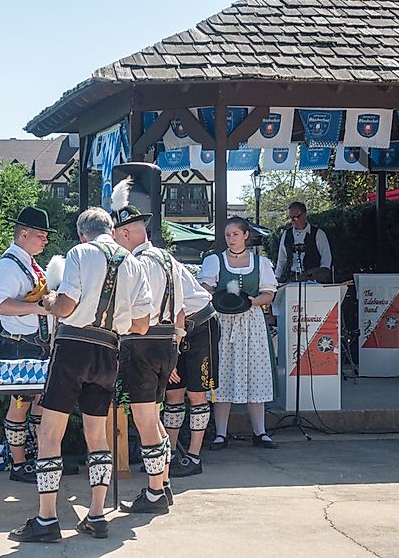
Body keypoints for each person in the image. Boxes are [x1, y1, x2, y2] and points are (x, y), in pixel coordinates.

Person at [9, 207, 152, 543]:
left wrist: (49, 300)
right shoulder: (133, 262)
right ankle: (97, 515)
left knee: (49, 435)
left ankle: (46, 519)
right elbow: (142, 325)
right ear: (112, 229)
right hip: (108, 351)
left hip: (74, 347)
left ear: (81, 233)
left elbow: (66, 307)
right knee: (97, 435)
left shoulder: (80, 253)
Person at [112, 200, 184, 514]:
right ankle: (163, 484)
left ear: (126, 233)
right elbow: (181, 311)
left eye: (115, 234)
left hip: (141, 342)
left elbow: (131, 311)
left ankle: (154, 493)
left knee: (145, 421)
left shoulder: (134, 263)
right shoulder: (168, 259)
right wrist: (176, 352)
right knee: (154, 418)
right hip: (168, 342)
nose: (113, 240)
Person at [0, 206, 54, 483]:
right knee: (20, 404)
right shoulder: (6, 266)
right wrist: (38, 307)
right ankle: (19, 463)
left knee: (39, 402)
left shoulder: (28, 263)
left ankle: (38, 458)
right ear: (23, 234)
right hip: (19, 345)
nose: (45, 240)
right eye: (41, 235)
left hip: (36, 344)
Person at [198, 217, 278, 450]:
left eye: (235, 234)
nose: (230, 239)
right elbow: (205, 289)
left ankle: (260, 432)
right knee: (223, 374)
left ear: (245, 235)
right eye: (227, 235)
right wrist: (217, 296)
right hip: (224, 321)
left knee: (255, 374)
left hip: (251, 322)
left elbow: (268, 294)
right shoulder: (215, 261)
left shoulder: (260, 262)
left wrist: (252, 301)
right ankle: (221, 433)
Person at [163, 262, 217, 477]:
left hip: (201, 324)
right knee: (173, 392)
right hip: (176, 329)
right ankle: (171, 452)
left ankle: (193, 457)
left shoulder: (152, 266)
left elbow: (179, 313)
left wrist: (171, 357)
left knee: (196, 393)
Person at [275, 201, 332, 284]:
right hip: (290, 280)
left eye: (296, 217)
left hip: (312, 281)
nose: (293, 221)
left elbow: (326, 261)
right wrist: (277, 279)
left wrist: (316, 275)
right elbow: (281, 260)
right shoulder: (286, 234)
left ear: (304, 215)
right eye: (291, 218)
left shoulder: (318, 234)